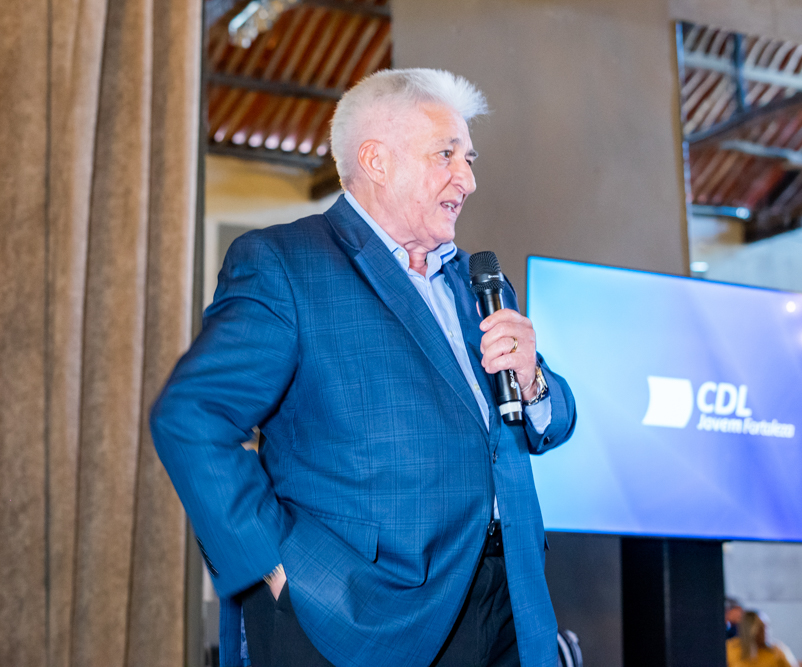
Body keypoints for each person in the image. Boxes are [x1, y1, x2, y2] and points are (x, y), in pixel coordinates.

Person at [150, 68, 577, 667]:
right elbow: (192, 416)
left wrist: (533, 382)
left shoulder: (479, 282)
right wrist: (272, 569)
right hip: (360, 616)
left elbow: (553, 422)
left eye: (469, 158)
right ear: (376, 160)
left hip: (509, 602)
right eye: (447, 155)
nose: (468, 179)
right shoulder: (285, 263)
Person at [726, 610, 793, 667]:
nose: (765, 632)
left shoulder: (776, 651)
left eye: (766, 627)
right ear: (748, 630)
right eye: (760, 628)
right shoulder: (730, 649)